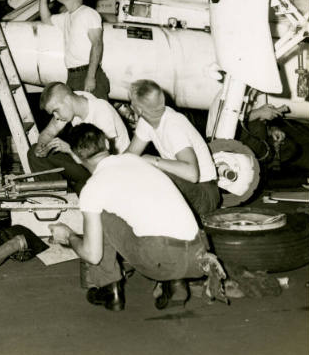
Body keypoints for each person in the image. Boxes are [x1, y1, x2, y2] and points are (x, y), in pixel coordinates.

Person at [48, 124, 228, 312]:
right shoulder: (139, 161)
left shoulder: (93, 188)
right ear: (107, 145)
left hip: (162, 258)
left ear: (76, 157)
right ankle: (174, 282)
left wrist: (69, 235)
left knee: (101, 214)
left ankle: (110, 289)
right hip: (198, 252)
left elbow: (92, 256)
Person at [126, 79, 220, 218]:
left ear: (138, 109)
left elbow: (192, 174)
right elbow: (129, 156)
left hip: (204, 193)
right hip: (189, 189)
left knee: (153, 172)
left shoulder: (173, 126)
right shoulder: (147, 120)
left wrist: (153, 160)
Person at [27, 82, 130, 193]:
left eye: (56, 111)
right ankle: (58, 198)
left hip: (111, 169)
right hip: (86, 161)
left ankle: (73, 197)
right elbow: (48, 133)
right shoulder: (76, 99)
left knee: (82, 188)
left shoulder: (101, 112)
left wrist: (70, 150)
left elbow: (104, 163)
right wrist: (42, 146)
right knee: (33, 153)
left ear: (67, 100)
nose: (56, 117)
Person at [39, 0, 110, 100]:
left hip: (87, 73)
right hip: (73, 76)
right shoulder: (66, 17)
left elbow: (97, 44)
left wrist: (91, 77)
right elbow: (46, 18)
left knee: (95, 116)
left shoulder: (88, 13)